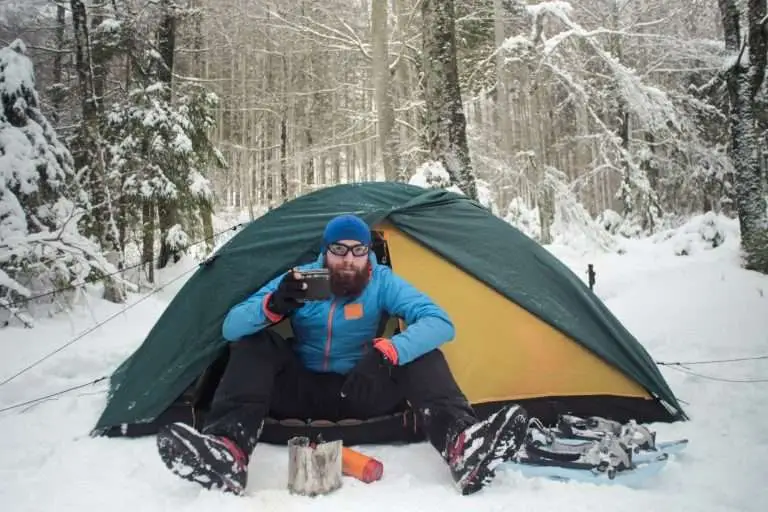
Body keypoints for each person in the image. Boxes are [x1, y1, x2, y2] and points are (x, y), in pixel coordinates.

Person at [156, 214, 528, 496]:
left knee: (421, 352)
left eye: (357, 250)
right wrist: (273, 305)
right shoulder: (300, 279)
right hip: (300, 390)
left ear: (368, 254)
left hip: (363, 388)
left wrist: (388, 352)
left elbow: (441, 322)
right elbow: (231, 328)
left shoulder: (381, 281)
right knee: (255, 342)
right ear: (326, 252)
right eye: (339, 250)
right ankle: (228, 452)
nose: (348, 260)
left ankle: (462, 446)